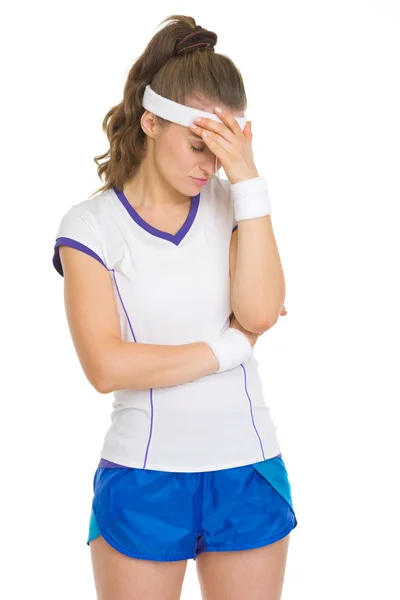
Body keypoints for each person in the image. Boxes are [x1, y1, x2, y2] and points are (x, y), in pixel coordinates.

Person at [52, 14, 298, 600]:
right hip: (143, 473)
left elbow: (261, 313)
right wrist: (230, 347)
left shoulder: (233, 199)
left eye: (223, 149)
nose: (208, 164)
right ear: (151, 122)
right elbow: (107, 367)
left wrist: (248, 178)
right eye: (199, 144)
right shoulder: (90, 226)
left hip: (249, 464)